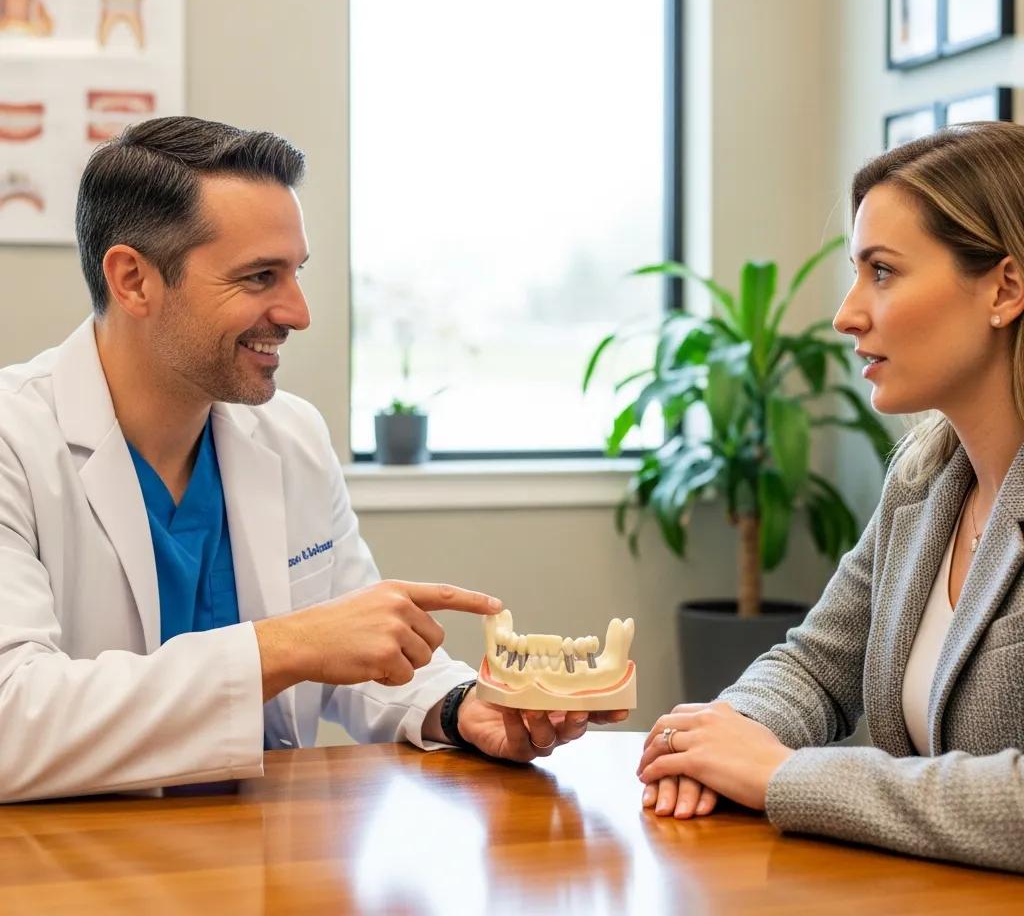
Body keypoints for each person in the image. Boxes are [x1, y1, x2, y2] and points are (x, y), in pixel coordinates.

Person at [0, 116, 626, 803]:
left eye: (296, 273)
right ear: (134, 280)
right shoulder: (15, 441)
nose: (297, 312)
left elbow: (353, 657)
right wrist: (282, 647)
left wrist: (458, 708)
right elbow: (12, 719)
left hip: (267, 857)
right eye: (260, 277)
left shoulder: (290, 435)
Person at [636, 121, 1024, 875]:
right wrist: (719, 739)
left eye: (882, 271)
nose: (847, 313)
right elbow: (817, 666)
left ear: (1005, 288)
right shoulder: (923, 484)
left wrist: (781, 775)